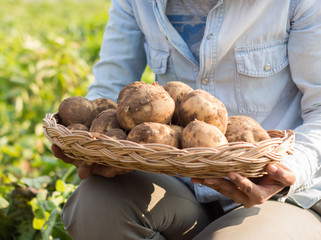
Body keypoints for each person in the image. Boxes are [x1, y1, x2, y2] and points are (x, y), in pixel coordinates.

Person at [52, 0, 321, 239]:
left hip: (284, 201)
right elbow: (108, 94)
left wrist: (285, 171)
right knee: (94, 205)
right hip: (181, 188)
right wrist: (96, 147)